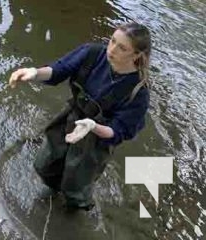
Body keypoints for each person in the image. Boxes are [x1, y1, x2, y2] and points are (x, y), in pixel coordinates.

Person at [8, 23, 151, 210]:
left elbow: (119, 131)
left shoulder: (138, 93)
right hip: (71, 118)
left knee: (76, 185)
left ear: (137, 55)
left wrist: (92, 127)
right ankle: (52, 191)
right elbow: (59, 70)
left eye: (122, 48)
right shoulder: (92, 53)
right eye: (112, 41)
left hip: (97, 138)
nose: (112, 50)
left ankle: (74, 210)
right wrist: (34, 73)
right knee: (46, 164)